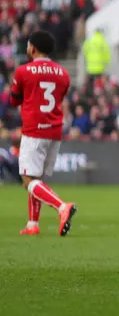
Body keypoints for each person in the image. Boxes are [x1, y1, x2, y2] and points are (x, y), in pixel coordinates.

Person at [9, 30, 75, 236]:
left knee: (28, 180)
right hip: (54, 131)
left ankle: (62, 207)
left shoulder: (23, 71)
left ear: (33, 48)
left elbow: (13, 100)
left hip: (34, 130)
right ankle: (32, 225)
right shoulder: (63, 74)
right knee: (37, 178)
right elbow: (61, 96)